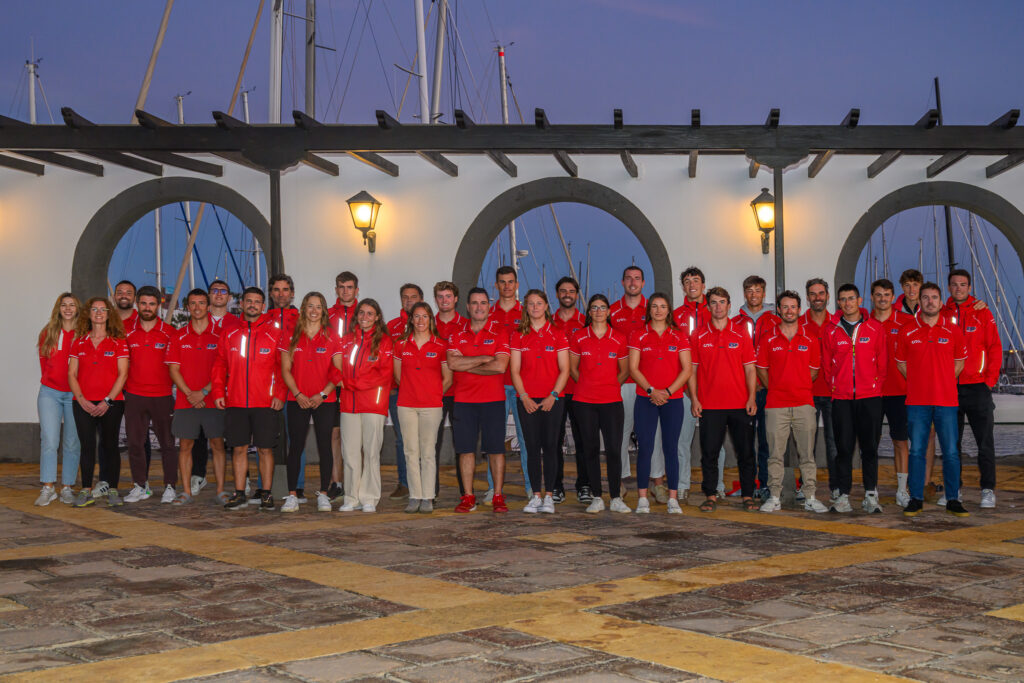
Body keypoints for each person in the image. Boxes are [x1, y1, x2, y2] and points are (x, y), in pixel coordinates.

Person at [897, 282, 969, 517]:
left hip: (946, 402)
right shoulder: (907, 330)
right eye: (926, 297)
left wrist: (944, 380)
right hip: (917, 402)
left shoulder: (953, 330)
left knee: (950, 452)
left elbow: (960, 362)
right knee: (917, 451)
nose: (930, 301)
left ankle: (953, 499)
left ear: (940, 301)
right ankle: (916, 499)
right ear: (920, 301)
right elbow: (901, 363)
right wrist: (918, 381)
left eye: (934, 297)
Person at [212, 287, 286, 511]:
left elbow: (283, 368)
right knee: (239, 449)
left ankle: (266, 493)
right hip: (235, 401)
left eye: (257, 302)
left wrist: (280, 394)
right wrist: (218, 392)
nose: (252, 305)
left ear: (263, 306)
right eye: (249, 301)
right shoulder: (229, 332)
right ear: (241, 304)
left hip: (265, 402)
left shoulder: (275, 333)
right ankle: (239, 492)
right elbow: (219, 365)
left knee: (265, 449)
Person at [755, 290, 828, 513]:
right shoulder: (768, 338)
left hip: (804, 404)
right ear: (778, 310)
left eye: (793, 307)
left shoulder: (810, 338)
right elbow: (761, 369)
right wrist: (776, 387)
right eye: (785, 307)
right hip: (776, 405)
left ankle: (810, 496)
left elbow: (814, 372)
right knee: (775, 455)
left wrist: (798, 385)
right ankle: (774, 496)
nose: (789, 311)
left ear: (799, 309)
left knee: (807, 455)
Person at [689, 287, 757, 513]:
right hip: (710, 405)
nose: (718, 307)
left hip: (740, 404)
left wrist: (751, 397)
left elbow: (750, 369)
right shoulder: (698, 334)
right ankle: (710, 495)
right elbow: (692, 370)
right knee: (709, 453)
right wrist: (694, 399)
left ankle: (748, 495)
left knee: (746, 453)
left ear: (729, 305)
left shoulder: (741, 332)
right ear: (708, 306)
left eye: (722, 302)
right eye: (714, 302)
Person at [821, 283, 887, 514]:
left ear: (859, 301)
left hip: (870, 398)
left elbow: (883, 363)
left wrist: (873, 386)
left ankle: (871, 495)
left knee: (869, 448)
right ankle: (843, 496)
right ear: (838, 302)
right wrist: (836, 387)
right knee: (843, 449)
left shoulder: (875, 328)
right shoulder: (830, 330)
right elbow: (827, 366)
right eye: (843, 299)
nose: (847, 303)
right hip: (842, 399)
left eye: (851, 298)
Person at [448, 288, 511, 514]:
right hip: (464, 401)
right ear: (467, 306)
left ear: (488, 306)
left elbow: (500, 366)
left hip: (493, 400)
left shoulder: (500, 332)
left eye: (483, 303)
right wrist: (484, 358)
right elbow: (453, 364)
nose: (479, 307)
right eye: (474, 303)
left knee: (496, 450)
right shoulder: (457, 334)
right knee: (466, 450)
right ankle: (468, 497)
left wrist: (467, 363)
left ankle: (498, 495)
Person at [628, 292, 691, 514]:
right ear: (649, 310)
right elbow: (633, 368)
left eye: (663, 306)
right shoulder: (638, 335)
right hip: (646, 399)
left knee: (671, 448)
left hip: (673, 399)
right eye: (654, 306)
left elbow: (687, 370)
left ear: (668, 310)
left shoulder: (679, 336)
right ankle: (642, 498)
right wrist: (651, 390)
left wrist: (668, 391)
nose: (658, 310)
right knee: (645, 448)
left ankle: (673, 499)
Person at [945, 269, 1001, 509]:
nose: (958, 288)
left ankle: (987, 489)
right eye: (954, 284)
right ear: (949, 287)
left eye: (963, 284)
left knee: (985, 443)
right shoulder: (942, 314)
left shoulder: (982, 312)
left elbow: (994, 347)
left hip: (978, 387)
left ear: (969, 287)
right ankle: (954, 489)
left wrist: (989, 381)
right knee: (951, 445)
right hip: (950, 389)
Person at [570, 293, 630, 514]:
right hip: (584, 402)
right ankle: (596, 497)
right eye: (594, 307)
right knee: (590, 449)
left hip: (612, 402)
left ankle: (615, 497)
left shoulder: (619, 338)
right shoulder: (579, 336)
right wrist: (588, 385)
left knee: (614, 450)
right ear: (589, 312)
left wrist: (610, 386)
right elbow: (573, 368)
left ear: (609, 311)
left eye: (602, 307)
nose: (598, 311)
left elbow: (625, 371)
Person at [511, 290, 570, 514]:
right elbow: (515, 371)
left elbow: (565, 370)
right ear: (525, 308)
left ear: (546, 306)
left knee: (551, 447)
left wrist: (553, 395)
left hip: (553, 399)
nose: (535, 307)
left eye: (539, 303)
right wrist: (524, 396)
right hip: (527, 400)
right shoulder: (518, 335)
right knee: (532, 448)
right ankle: (536, 495)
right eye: (531, 304)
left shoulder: (558, 333)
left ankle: (550, 496)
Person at [279, 291, 339, 513]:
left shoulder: (332, 336)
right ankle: (292, 495)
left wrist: (322, 395)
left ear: (324, 311)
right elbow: (285, 370)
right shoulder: (291, 335)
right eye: (310, 306)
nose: (314, 311)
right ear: (303, 308)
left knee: (325, 445)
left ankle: (324, 493)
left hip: (325, 400)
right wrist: (297, 394)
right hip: (297, 399)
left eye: (318, 307)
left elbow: (338, 371)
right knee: (295, 446)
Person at [167, 288, 227, 505]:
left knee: (218, 445)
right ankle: (186, 492)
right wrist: (190, 394)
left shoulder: (221, 335)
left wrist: (203, 392)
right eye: (193, 303)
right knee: (185, 446)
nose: (197, 307)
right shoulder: (178, 336)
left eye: (201, 303)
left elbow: (225, 369)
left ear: (208, 306)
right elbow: (173, 370)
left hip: (213, 399)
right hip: (186, 401)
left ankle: (221, 491)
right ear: (187, 307)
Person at [68, 297, 128, 507]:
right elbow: (71, 374)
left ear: (109, 314)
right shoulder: (78, 342)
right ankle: (85, 489)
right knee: (87, 446)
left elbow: (122, 374)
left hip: (112, 402)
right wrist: (82, 400)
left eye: (103, 309)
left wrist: (107, 401)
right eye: (95, 309)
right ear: (88, 314)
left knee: (110, 445)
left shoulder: (119, 341)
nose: (99, 313)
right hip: (82, 403)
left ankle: (113, 489)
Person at [335, 299, 394, 512]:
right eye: (361, 313)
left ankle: (369, 498)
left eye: (370, 313)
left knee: (371, 453)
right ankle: (351, 498)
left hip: (373, 404)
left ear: (377, 317)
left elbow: (384, 374)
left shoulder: (385, 341)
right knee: (349, 453)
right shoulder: (346, 340)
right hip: (349, 404)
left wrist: (352, 383)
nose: (365, 317)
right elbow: (334, 366)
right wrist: (339, 379)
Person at [672, 266, 724, 501]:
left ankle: (718, 485)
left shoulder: (715, 310)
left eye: (695, 280)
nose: (691, 284)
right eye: (687, 281)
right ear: (682, 287)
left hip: (712, 389)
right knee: (682, 440)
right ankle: (683, 484)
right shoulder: (675, 315)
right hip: (683, 389)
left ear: (703, 285)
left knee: (716, 443)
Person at [395, 301, 452, 513]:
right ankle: (415, 495)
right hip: (406, 405)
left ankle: (428, 496)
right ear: (411, 319)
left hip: (432, 406)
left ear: (431, 320)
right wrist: (413, 391)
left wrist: (433, 395)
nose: (420, 320)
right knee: (410, 451)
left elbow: (448, 379)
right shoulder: (401, 345)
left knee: (428, 452)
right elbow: (398, 376)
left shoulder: (440, 345)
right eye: (417, 316)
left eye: (425, 316)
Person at [123, 286, 178, 504]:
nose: (147, 308)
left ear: (159, 305)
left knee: (167, 444)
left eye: (152, 304)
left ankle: (170, 486)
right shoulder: (127, 332)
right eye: (144, 303)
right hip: (134, 395)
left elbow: (176, 366)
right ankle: (140, 485)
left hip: (162, 395)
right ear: (137, 304)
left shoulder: (169, 332)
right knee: (135, 443)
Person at [187, 279, 238, 497]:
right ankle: (199, 475)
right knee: (198, 434)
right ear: (208, 296)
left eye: (223, 291)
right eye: (214, 290)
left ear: (229, 297)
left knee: (232, 435)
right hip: (202, 389)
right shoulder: (199, 320)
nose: (218, 294)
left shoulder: (236, 322)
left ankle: (241, 478)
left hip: (231, 388)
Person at [732, 275, 780, 499]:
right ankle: (748, 486)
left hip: (769, 391)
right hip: (743, 392)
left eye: (757, 290)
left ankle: (767, 484)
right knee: (745, 443)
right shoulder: (735, 322)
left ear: (763, 293)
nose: (753, 294)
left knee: (767, 442)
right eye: (749, 290)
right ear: (744, 293)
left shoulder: (776, 321)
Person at [488, 266, 531, 498]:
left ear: (517, 285)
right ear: (496, 285)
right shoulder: (488, 314)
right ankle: (492, 488)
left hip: (522, 385)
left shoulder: (526, 313)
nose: (506, 286)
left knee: (526, 439)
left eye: (510, 282)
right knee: (495, 439)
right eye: (502, 282)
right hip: (495, 384)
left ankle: (531, 487)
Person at [35, 292, 82, 506]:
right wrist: (51, 381)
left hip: (75, 394)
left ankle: (67, 488)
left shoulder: (84, 333)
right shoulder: (48, 332)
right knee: (49, 440)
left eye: (72, 305)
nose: (68, 308)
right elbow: (44, 362)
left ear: (77, 309)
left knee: (72, 442)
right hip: (50, 393)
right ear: (58, 308)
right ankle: (48, 488)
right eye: (64, 305)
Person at [870, 278, 914, 507]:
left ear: (893, 297)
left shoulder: (906, 322)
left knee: (900, 441)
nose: (882, 299)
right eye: (878, 295)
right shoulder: (864, 322)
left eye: (886, 295)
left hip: (899, 391)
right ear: (872, 298)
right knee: (871, 443)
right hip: (871, 393)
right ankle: (871, 489)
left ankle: (902, 489)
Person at [608, 266, 649, 486]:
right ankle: (621, 480)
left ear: (643, 283)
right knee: (620, 434)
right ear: (623, 282)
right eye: (629, 278)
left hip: (648, 382)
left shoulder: (652, 309)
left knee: (650, 435)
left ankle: (654, 479)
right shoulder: (612, 311)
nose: (633, 282)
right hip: (621, 381)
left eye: (637, 278)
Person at [550, 277, 588, 503]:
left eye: (571, 291)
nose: (567, 294)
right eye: (563, 291)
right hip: (554, 391)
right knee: (554, 441)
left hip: (579, 390)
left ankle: (584, 485)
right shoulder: (548, 322)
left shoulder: (585, 322)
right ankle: (556, 486)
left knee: (582, 440)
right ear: (557, 294)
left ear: (576, 295)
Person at [264, 274, 301, 501]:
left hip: (295, 388)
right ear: (271, 293)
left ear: (292, 293)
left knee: (296, 440)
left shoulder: (301, 319)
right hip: (266, 389)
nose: (281, 294)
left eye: (285, 289)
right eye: (276, 290)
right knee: (263, 440)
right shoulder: (262, 319)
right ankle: (263, 487)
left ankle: (298, 486)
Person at [801, 278, 838, 498]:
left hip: (833, 393)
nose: (817, 298)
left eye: (821, 293)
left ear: (827, 296)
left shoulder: (837, 323)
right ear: (808, 298)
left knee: (834, 444)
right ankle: (806, 487)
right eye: (813, 294)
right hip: (807, 393)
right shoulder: (799, 324)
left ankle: (836, 488)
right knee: (807, 445)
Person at [386, 283, 422, 500]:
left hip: (423, 392)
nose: (409, 300)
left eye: (413, 297)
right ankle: (404, 483)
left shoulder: (428, 324)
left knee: (424, 439)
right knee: (402, 439)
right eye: (405, 297)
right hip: (398, 393)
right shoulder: (392, 326)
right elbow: (385, 359)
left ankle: (424, 483)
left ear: (421, 299)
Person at [326, 271, 359, 502]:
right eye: (341, 287)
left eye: (349, 287)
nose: (345, 291)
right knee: (335, 434)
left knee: (358, 436)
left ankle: (356, 484)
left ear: (356, 290)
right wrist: (335, 378)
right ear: (336, 289)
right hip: (334, 384)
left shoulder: (365, 313)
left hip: (357, 385)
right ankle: (336, 482)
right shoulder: (327, 315)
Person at [433, 281, 468, 497]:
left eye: (448, 296)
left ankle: (466, 493)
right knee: (431, 446)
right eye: (440, 296)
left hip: (461, 393)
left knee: (462, 445)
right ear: (435, 299)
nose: (444, 300)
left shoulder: (466, 325)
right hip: (434, 393)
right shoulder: (428, 324)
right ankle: (431, 493)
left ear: (455, 299)